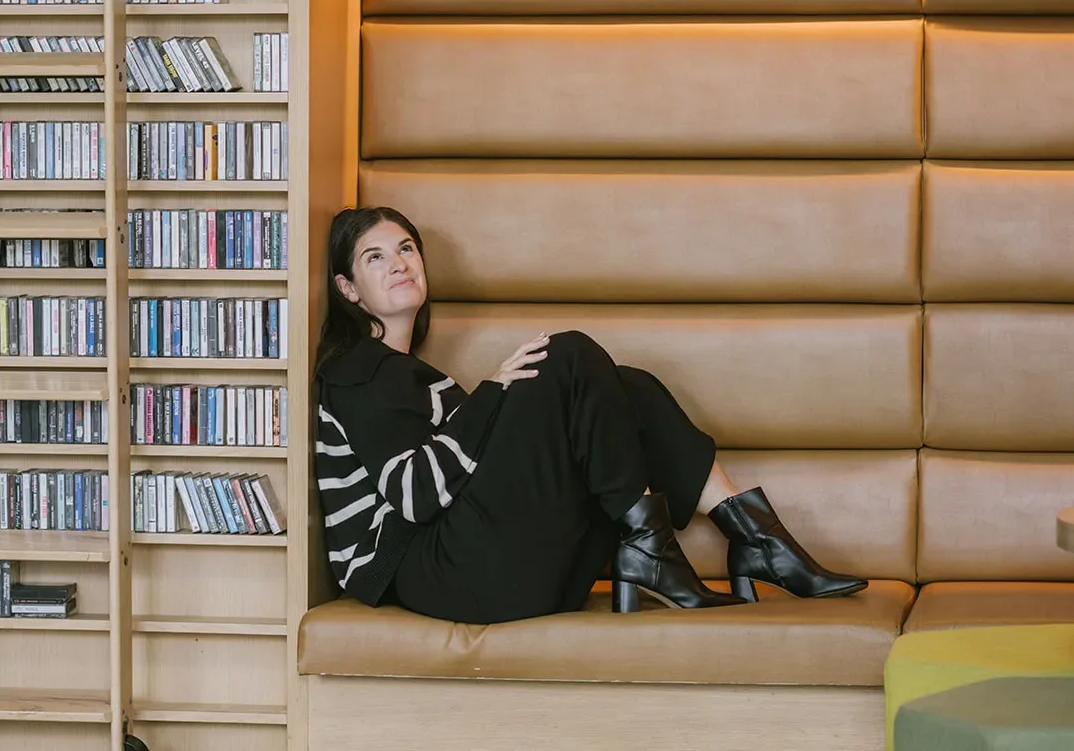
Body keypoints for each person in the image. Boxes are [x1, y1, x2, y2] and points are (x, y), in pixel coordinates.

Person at [313, 205, 868, 625]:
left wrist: (491, 401)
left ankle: (755, 541)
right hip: (442, 576)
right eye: (374, 257)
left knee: (628, 387)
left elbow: (468, 466)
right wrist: (491, 392)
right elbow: (414, 495)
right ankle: (668, 553)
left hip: (511, 576)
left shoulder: (414, 375)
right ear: (348, 289)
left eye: (407, 248)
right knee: (567, 355)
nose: (399, 263)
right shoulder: (360, 371)